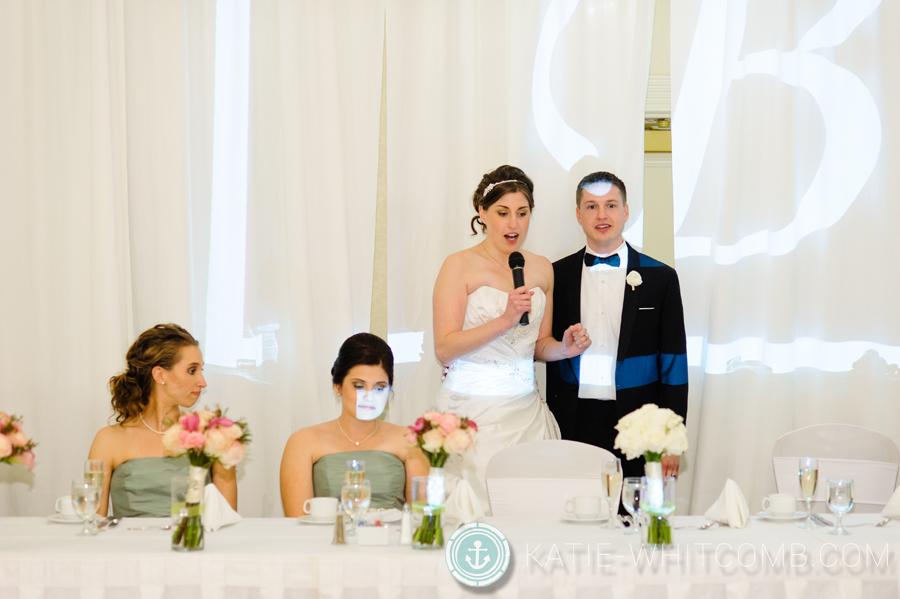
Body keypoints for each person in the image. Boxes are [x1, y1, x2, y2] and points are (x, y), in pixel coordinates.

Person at [432, 165, 592, 513]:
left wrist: (564, 348)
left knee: (536, 512)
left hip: (526, 412)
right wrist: (504, 320)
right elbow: (444, 347)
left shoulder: (541, 268)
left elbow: (537, 345)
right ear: (482, 214)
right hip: (471, 413)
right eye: (503, 213)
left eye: (522, 213)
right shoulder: (458, 266)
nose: (513, 224)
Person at [546, 171, 688, 481]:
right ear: (578, 214)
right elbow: (540, 344)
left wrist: (671, 438)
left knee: (635, 517)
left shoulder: (660, 277)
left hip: (638, 422)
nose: (601, 215)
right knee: (576, 515)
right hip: (572, 417)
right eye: (591, 206)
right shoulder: (554, 275)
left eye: (610, 205)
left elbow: (674, 363)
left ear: (625, 211)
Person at [88, 324, 237, 517]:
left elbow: (227, 520)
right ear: (160, 375)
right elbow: (92, 522)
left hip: (191, 546)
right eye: (192, 370)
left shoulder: (213, 435)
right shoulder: (108, 439)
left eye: (201, 370)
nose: (203, 382)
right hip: (128, 546)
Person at [280, 333, 428, 517]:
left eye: (379, 388)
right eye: (359, 386)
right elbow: (298, 521)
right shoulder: (303, 441)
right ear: (337, 386)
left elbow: (422, 520)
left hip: (391, 542)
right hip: (324, 542)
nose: (369, 396)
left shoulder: (410, 439)